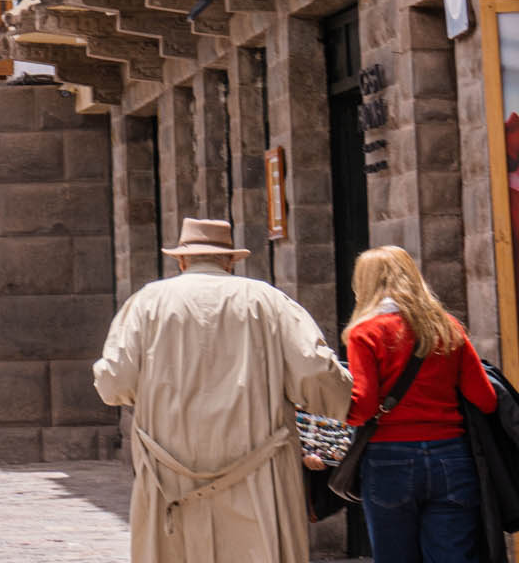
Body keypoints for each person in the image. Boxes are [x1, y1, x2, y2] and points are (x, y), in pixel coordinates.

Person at [93, 218, 351, 563]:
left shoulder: (146, 304)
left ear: (181, 260)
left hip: (169, 476)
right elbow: (316, 372)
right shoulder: (269, 302)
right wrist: (346, 403)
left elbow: (113, 384)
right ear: (230, 261)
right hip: (260, 476)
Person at [342, 245, 496, 563]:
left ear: (364, 284)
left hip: (388, 460)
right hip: (451, 457)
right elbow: (486, 399)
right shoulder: (448, 327)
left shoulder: (364, 333)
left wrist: (337, 411)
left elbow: (364, 407)